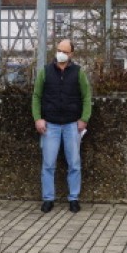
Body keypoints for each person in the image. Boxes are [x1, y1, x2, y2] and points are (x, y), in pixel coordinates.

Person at [32, 39, 92, 213]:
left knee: (74, 163)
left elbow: (87, 96)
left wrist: (84, 118)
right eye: (59, 50)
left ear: (71, 54)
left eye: (65, 51)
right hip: (50, 124)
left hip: (72, 125)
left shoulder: (78, 72)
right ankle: (48, 199)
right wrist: (38, 119)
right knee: (48, 164)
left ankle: (74, 198)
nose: (61, 54)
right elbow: (36, 96)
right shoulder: (45, 71)